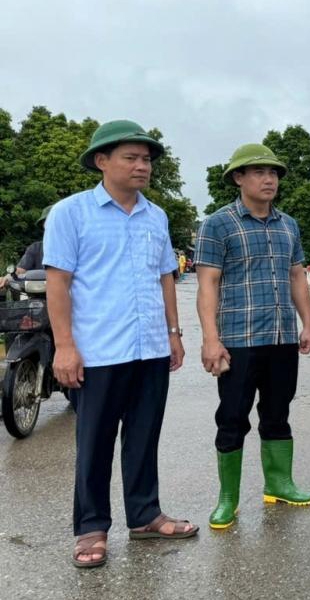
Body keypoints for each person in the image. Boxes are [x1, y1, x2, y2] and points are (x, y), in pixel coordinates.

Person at [43, 120, 197, 569]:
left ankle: (145, 515)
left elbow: (165, 276)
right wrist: (65, 346)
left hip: (149, 347)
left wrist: (174, 334)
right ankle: (91, 527)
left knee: (144, 436)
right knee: (94, 441)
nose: (142, 166)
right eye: (130, 157)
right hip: (98, 351)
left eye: (146, 158)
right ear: (101, 161)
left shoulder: (156, 216)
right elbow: (59, 283)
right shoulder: (70, 213)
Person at [195, 143, 310, 530]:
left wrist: (307, 323)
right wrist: (210, 339)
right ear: (238, 178)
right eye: (259, 172)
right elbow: (208, 284)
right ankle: (227, 498)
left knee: (278, 413)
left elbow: (297, 275)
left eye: (275, 173)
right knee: (232, 417)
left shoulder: (289, 224)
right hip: (239, 338)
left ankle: (279, 483)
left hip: (281, 337)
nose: (269, 179)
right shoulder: (218, 223)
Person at [0, 206, 50, 291]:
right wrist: (7, 278)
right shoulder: (36, 247)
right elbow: (21, 269)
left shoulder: (75, 248)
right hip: (37, 292)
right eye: (47, 222)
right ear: (44, 226)